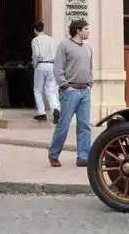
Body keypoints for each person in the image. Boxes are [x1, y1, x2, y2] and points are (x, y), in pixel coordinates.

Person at [48, 19, 93, 168]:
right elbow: (58, 68)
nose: (88, 31)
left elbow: (90, 68)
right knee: (64, 124)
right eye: (86, 29)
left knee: (84, 125)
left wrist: (90, 84)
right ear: (78, 31)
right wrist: (65, 85)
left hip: (85, 90)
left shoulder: (88, 48)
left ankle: (83, 157)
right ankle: (54, 155)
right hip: (70, 91)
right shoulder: (64, 45)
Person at [31, 22, 59, 123]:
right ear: (43, 28)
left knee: (37, 90)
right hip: (52, 65)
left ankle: (41, 113)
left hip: (41, 65)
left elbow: (36, 54)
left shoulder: (35, 40)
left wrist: (34, 64)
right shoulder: (52, 40)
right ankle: (55, 109)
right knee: (50, 90)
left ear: (35, 30)